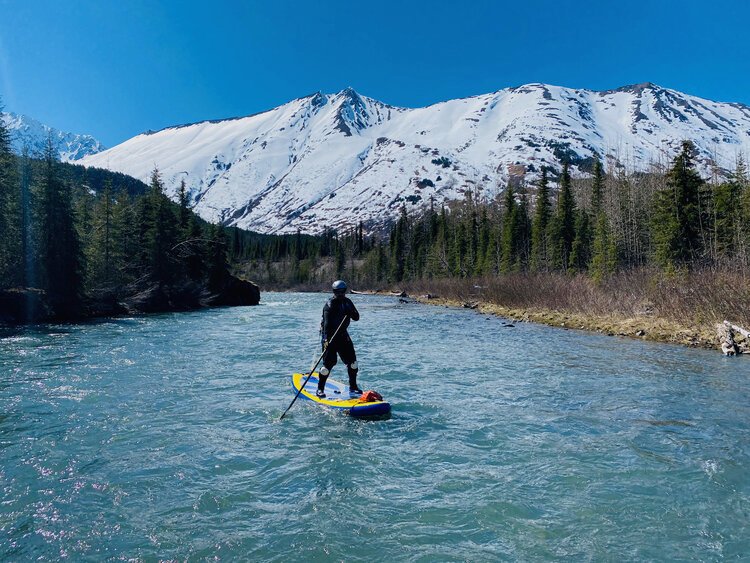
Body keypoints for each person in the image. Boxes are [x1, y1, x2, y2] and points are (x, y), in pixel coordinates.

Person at [317, 280, 361, 397]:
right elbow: (326, 324)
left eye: (342, 292)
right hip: (330, 337)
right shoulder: (329, 305)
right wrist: (326, 340)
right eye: (338, 292)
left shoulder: (348, 302)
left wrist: (350, 311)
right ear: (334, 292)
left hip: (343, 335)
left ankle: (353, 386)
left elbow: (356, 317)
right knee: (327, 366)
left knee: (353, 363)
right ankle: (320, 389)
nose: (340, 294)